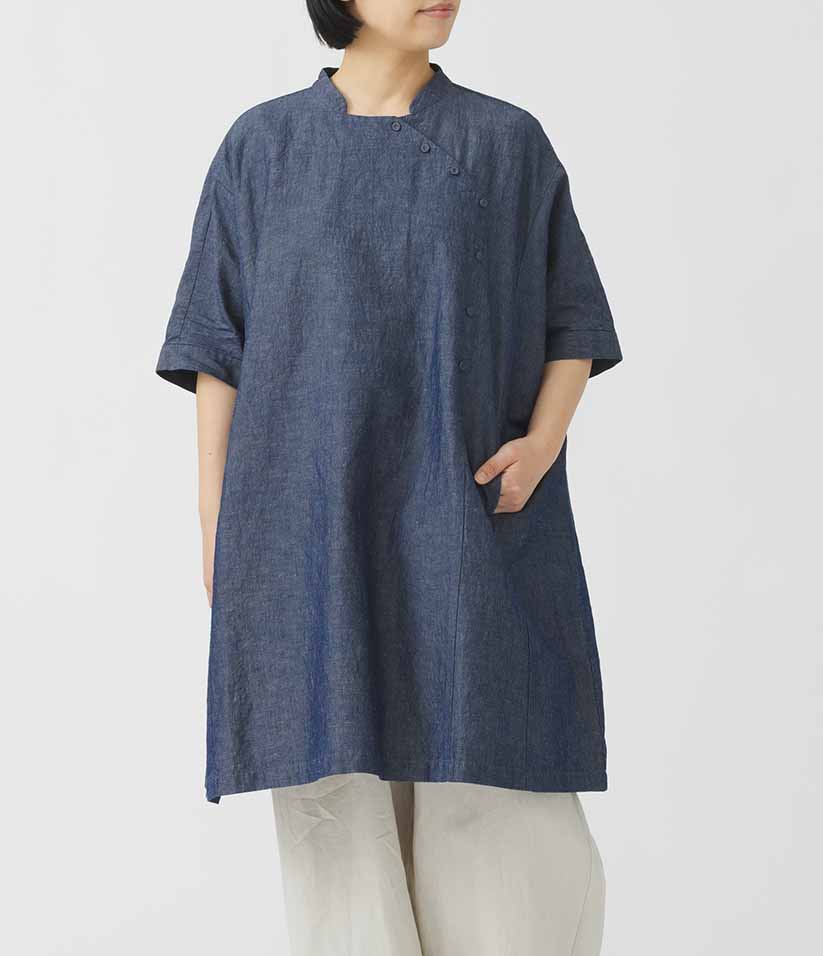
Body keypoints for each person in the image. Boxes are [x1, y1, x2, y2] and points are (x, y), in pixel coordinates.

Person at [154, 1, 623, 953]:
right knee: (335, 805)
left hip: (469, 519)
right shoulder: (263, 148)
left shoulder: (505, 142)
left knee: (494, 800)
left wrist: (541, 443)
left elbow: (571, 317)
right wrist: (218, 520)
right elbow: (216, 347)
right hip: (304, 524)